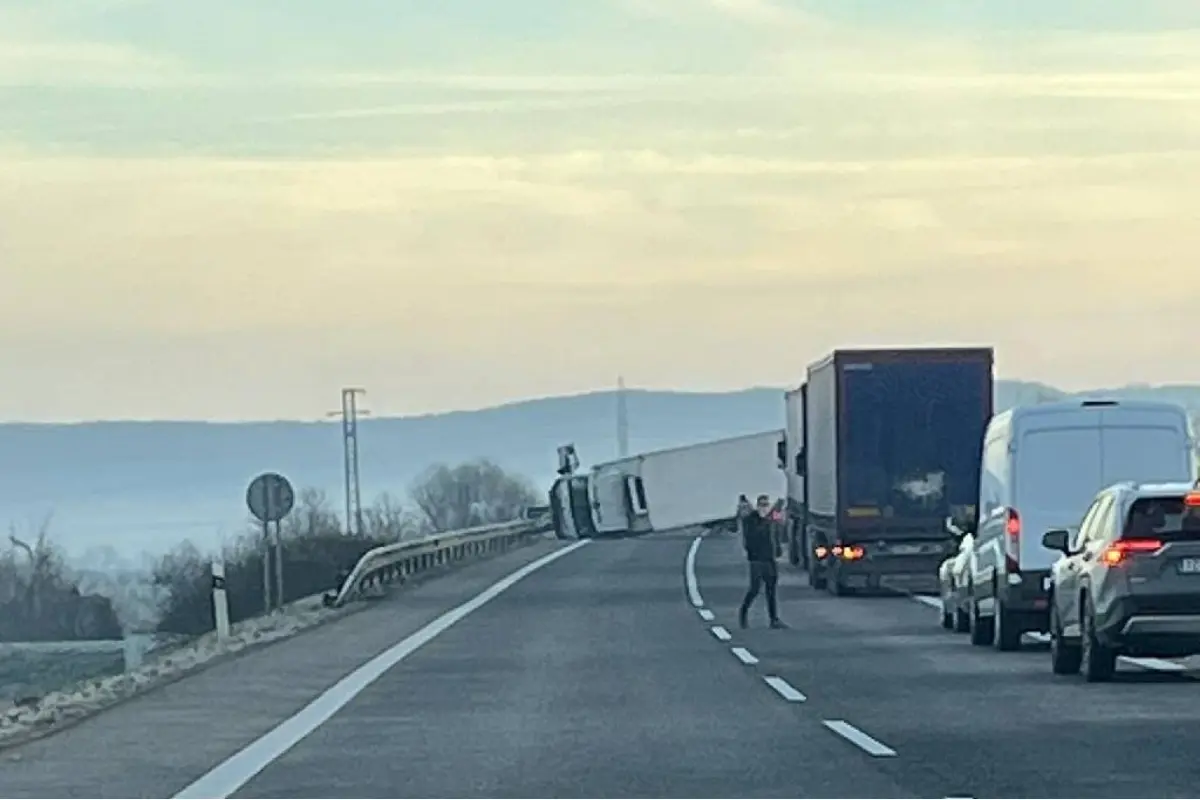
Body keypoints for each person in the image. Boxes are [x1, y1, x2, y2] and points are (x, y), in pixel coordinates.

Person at [739, 494, 787, 629]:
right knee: (754, 589)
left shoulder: (771, 519)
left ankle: (774, 619)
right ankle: (743, 614)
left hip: (770, 558)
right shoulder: (750, 520)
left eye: (766, 505)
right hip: (756, 560)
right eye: (762, 505)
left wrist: (778, 548)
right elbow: (751, 537)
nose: (764, 508)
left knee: (771, 590)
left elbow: (778, 530)